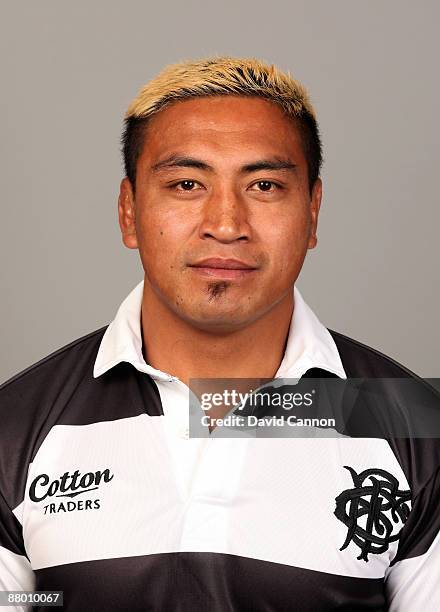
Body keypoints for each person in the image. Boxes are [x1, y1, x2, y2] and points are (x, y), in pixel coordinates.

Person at [0, 56, 439, 611]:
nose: (227, 224)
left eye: (264, 185)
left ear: (313, 212)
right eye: (187, 184)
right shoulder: (16, 430)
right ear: (129, 212)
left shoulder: (414, 428)